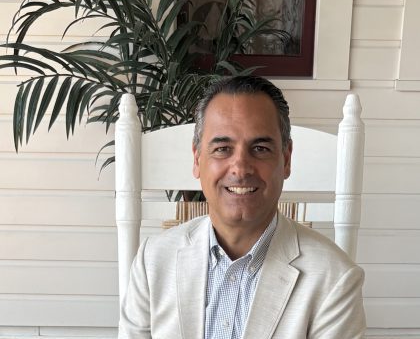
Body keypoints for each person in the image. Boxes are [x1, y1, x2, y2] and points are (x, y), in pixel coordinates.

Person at [119, 76, 366, 339]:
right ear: (197, 159)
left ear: (286, 160)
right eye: (222, 148)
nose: (240, 168)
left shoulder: (334, 279)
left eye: (260, 148)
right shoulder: (153, 261)